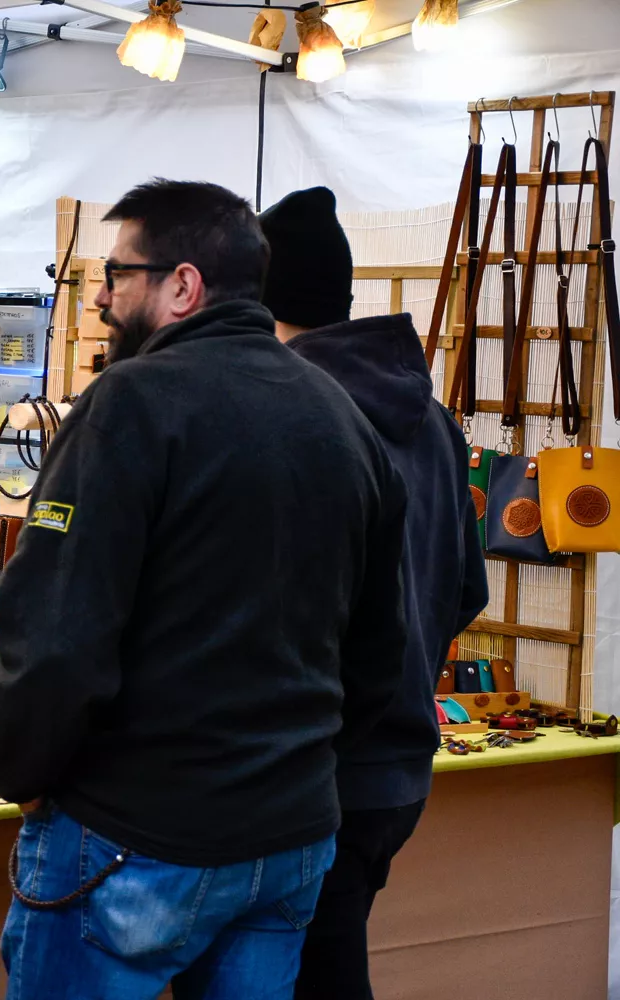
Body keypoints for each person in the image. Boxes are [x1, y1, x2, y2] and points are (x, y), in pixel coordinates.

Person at [0, 179, 409, 1000]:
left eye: (118, 275)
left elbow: (60, 635)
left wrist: (20, 766)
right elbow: (378, 651)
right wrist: (295, 766)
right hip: (285, 840)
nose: (104, 298)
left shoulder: (130, 403)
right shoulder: (341, 415)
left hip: (136, 835)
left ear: (182, 285)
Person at [259, 187, 488, 1000]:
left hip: (320, 769)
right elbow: (466, 588)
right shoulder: (428, 419)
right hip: (396, 767)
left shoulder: (298, 416)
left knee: (310, 977)